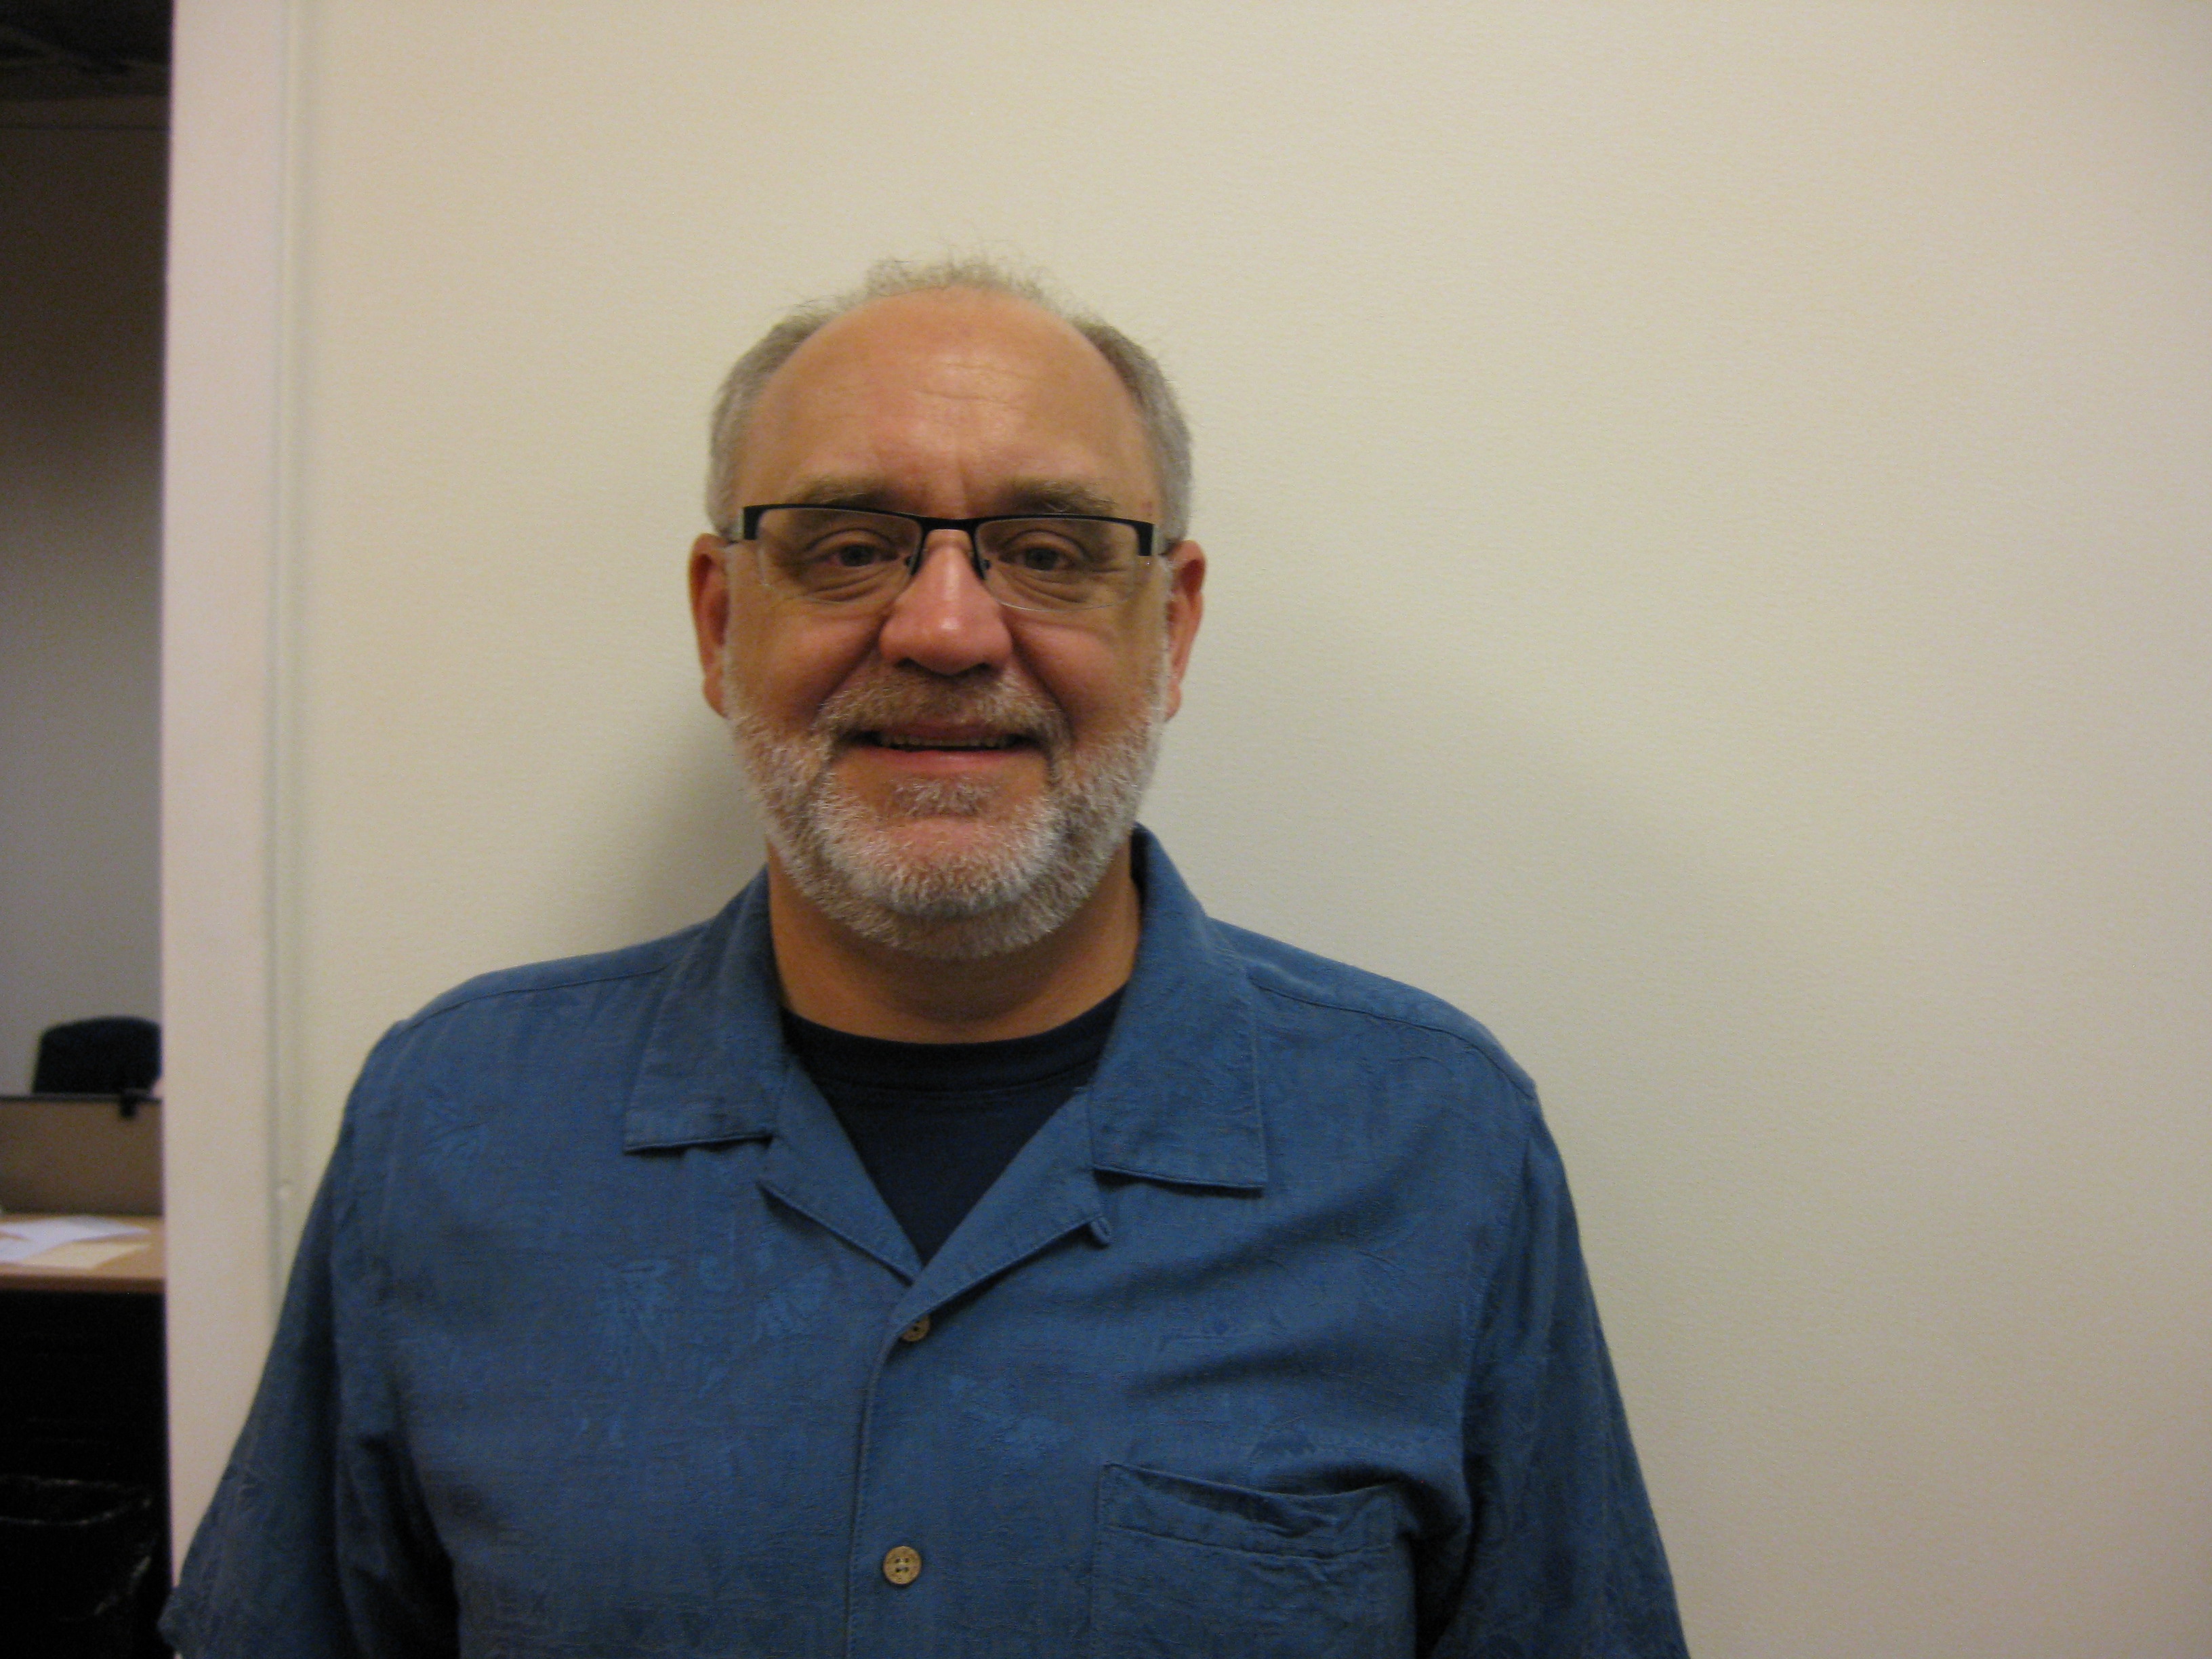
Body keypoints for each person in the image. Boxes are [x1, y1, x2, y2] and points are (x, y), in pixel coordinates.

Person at [164, 258, 1689, 1658]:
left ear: (1172, 629)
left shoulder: (1431, 1144)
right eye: (847, 549)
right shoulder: (455, 1126)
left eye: (1049, 551)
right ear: (718, 621)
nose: (946, 630)